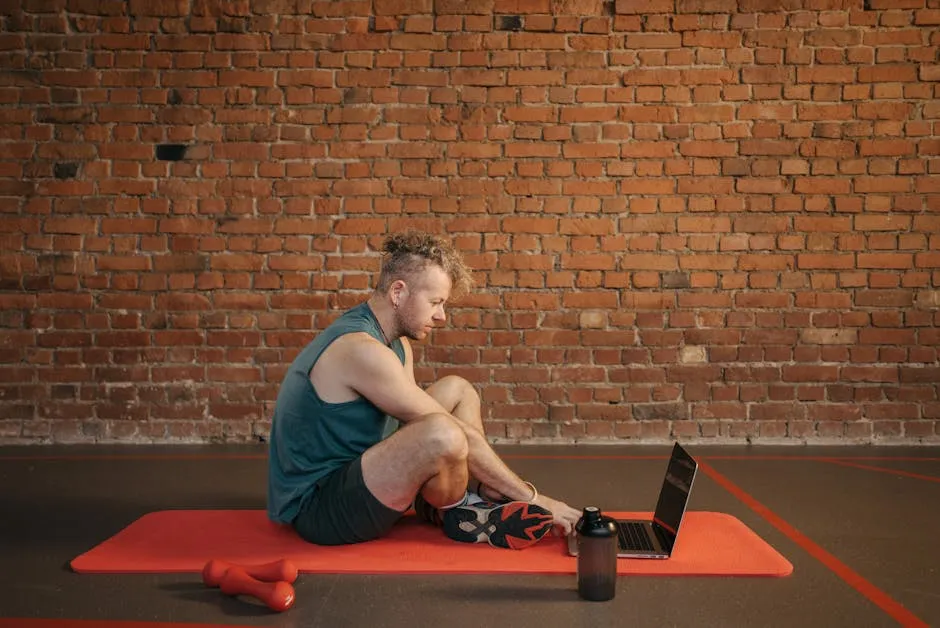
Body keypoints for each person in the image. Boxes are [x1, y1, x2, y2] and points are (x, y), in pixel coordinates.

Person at [267, 231, 580, 549]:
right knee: (443, 432)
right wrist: (536, 499)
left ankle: (468, 498)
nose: (441, 316)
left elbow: (414, 423)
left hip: (360, 473)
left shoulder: (396, 342)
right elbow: (446, 433)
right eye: (436, 302)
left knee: (459, 390)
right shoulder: (361, 350)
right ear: (398, 292)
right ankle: (460, 509)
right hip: (321, 511)